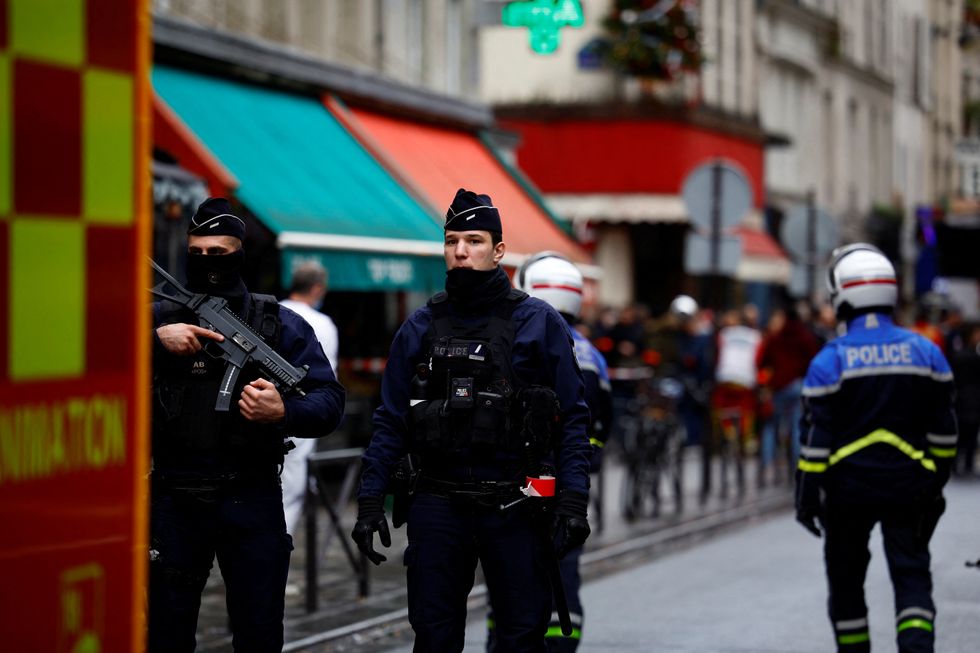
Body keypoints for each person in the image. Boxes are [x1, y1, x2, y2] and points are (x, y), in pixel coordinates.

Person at [350, 189, 592, 653]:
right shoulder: (420, 326)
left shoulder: (539, 323)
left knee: (521, 637)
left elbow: (573, 421)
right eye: (452, 240)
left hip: (516, 505)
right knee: (435, 637)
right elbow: (389, 421)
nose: (461, 251)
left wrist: (573, 501)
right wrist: (368, 501)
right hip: (438, 504)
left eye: (474, 240)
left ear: (498, 250)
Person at [149, 198, 346, 653]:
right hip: (175, 496)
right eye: (196, 252)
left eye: (218, 253)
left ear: (239, 252)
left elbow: (329, 402)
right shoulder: (162, 318)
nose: (205, 262)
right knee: (165, 632)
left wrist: (284, 412)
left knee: (258, 633)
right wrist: (154, 342)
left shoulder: (280, 325)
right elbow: (98, 367)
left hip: (250, 493)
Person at [796, 243, 956, 653]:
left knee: (846, 582)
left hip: (847, 492)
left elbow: (816, 441)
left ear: (843, 295)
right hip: (909, 487)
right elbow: (944, 433)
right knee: (912, 578)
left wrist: (806, 497)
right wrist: (934, 482)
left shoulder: (829, 361)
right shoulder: (927, 353)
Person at [483, 251, 611, 652]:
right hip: (570, 485)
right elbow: (604, 425)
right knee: (563, 571)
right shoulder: (594, 358)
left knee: (509, 573)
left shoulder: (520, 343)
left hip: (520, 482)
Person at [279, 261, 340, 537]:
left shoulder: (273, 312)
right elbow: (328, 381)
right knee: (291, 492)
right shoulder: (323, 324)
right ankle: (280, 564)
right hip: (301, 414)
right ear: (317, 289)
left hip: (260, 408)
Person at [756, 302, 819, 485]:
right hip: (798, 385)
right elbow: (813, 361)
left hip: (779, 387)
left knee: (771, 426)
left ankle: (767, 465)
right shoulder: (805, 337)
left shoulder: (777, 338)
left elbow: (762, 361)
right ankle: (796, 467)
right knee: (795, 426)